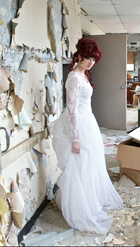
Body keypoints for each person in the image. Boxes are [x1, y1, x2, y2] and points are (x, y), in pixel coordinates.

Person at [52, 38, 123, 235]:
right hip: (79, 124)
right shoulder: (74, 78)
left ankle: (91, 201)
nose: (91, 62)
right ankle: (80, 207)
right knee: (80, 163)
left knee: (92, 162)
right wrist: (76, 138)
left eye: (94, 59)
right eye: (88, 58)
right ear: (80, 56)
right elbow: (71, 109)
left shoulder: (82, 74)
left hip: (88, 121)